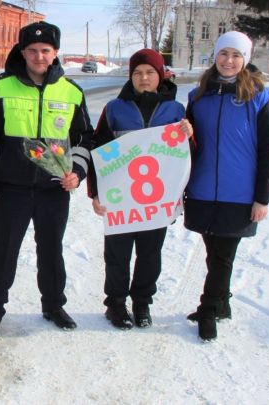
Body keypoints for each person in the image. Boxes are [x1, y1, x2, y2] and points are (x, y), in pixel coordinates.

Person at [0, 21, 94, 339]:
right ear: (23, 52)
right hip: (11, 189)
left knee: (51, 250)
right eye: (33, 50)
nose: (39, 56)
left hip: (54, 189)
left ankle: (53, 305)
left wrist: (77, 173)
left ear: (55, 53)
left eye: (45, 51)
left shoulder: (71, 92)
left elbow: (83, 140)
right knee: (5, 252)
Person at [184, 31, 269, 341]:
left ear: (245, 60)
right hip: (202, 188)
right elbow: (188, 146)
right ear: (215, 56)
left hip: (239, 192)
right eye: (224, 54)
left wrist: (262, 197)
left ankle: (209, 308)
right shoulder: (198, 97)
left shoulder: (259, 97)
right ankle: (222, 303)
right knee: (214, 251)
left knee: (223, 254)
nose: (229, 60)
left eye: (236, 55)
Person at [87, 49, 191, 330]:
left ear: (160, 75)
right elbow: (98, 150)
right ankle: (116, 305)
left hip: (157, 199)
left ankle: (142, 302)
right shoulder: (115, 108)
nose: (144, 78)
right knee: (116, 255)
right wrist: (95, 192)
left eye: (150, 72)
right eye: (137, 73)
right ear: (131, 76)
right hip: (120, 198)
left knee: (150, 253)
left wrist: (189, 136)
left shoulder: (176, 110)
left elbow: (187, 155)